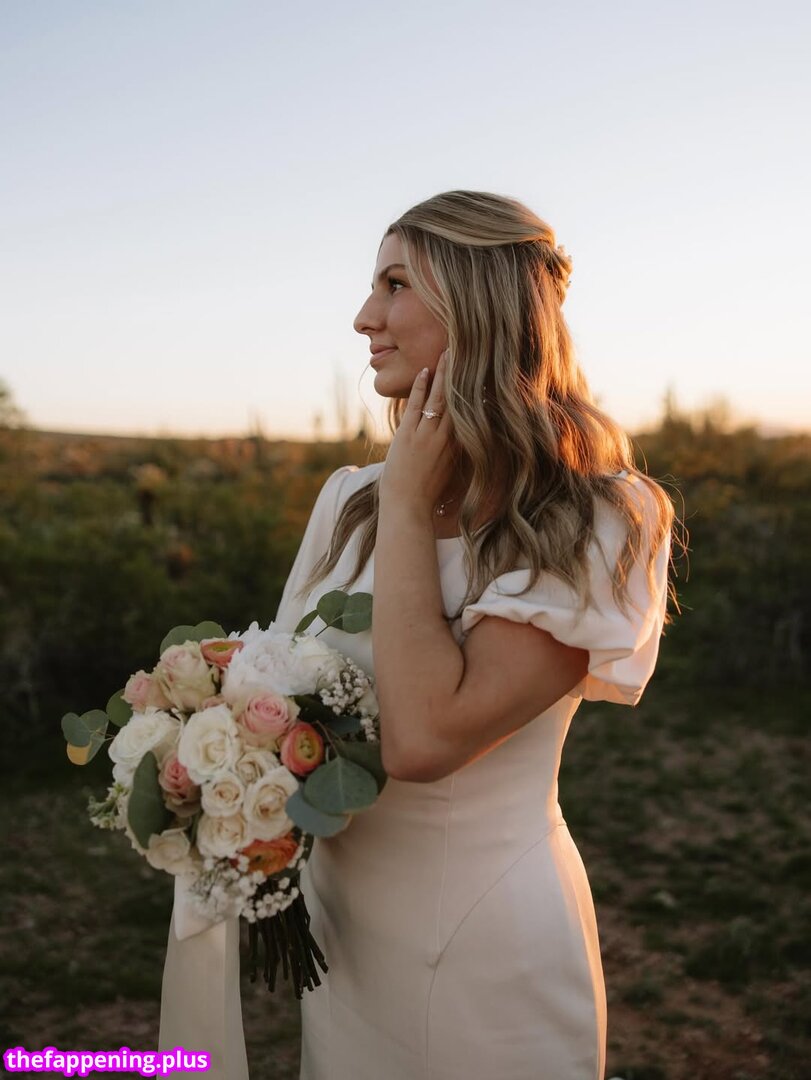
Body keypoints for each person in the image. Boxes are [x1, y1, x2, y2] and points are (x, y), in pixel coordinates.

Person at [159, 189, 673, 1079]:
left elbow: (426, 738)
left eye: (394, 285)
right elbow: (280, 688)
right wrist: (211, 763)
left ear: (480, 304)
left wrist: (405, 501)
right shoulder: (345, 501)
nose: (365, 318)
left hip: (478, 945)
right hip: (343, 937)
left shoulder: (592, 518)